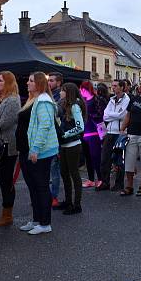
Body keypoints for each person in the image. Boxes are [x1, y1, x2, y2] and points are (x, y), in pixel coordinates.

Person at [16, 72, 59, 235]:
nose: (27, 83)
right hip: (30, 150)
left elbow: (45, 126)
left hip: (40, 151)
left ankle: (45, 222)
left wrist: (35, 149)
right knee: (34, 186)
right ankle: (36, 220)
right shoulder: (34, 100)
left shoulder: (43, 101)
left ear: (39, 84)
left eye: (31, 81)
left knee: (41, 186)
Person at [0, 71, 21, 227]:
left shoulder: (13, 101)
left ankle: (7, 214)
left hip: (7, 146)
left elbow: (4, 124)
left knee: (5, 179)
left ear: (8, 82)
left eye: (0, 80)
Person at [57, 82, 86, 214]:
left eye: (63, 90)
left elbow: (80, 127)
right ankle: (68, 201)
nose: (61, 92)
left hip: (72, 145)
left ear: (68, 92)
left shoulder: (74, 106)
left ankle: (77, 204)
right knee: (64, 173)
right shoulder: (65, 105)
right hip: (64, 144)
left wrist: (66, 134)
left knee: (74, 174)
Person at [97, 79, 129, 191]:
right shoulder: (111, 100)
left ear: (122, 87)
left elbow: (123, 115)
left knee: (119, 160)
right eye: (112, 86)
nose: (113, 88)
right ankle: (105, 182)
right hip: (109, 132)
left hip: (120, 133)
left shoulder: (127, 100)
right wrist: (113, 115)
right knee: (105, 159)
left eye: (115, 86)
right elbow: (105, 116)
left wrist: (111, 115)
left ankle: (119, 184)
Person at [79, 81, 104, 190]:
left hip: (94, 132)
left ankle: (100, 178)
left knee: (96, 157)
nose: (80, 91)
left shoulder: (96, 100)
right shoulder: (83, 101)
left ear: (84, 89)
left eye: (81, 89)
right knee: (88, 157)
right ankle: (91, 179)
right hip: (85, 132)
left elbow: (101, 115)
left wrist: (90, 115)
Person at [47, 72, 63, 204]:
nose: (49, 83)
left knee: (54, 169)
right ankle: (45, 194)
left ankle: (53, 196)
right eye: (48, 80)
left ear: (58, 83)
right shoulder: (46, 95)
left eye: (51, 81)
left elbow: (57, 114)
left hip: (55, 137)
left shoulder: (59, 98)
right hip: (46, 136)